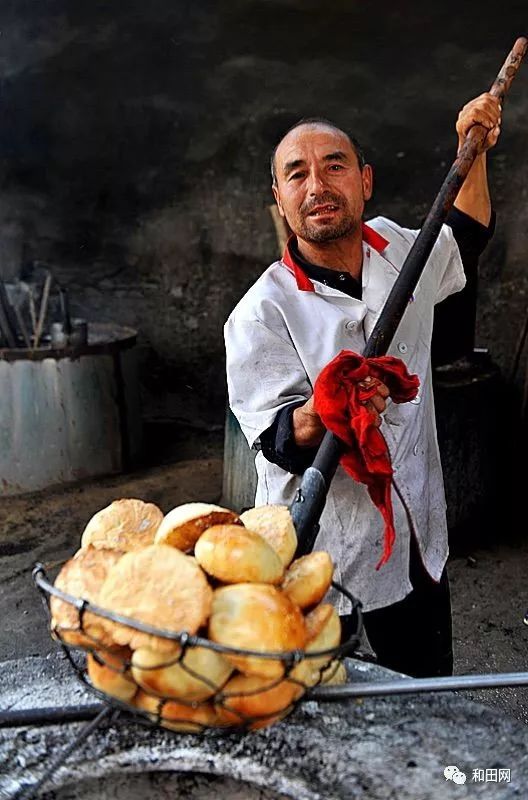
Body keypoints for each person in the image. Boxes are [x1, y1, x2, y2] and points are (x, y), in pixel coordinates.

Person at [224, 93, 501, 677]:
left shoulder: (401, 248)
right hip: (321, 547)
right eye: (296, 174)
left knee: (426, 696)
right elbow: (277, 441)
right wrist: (328, 408)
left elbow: (464, 233)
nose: (317, 185)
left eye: (334, 165)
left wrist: (472, 150)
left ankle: (445, 775)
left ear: (365, 180)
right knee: (321, 707)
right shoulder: (259, 314)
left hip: (414, 531)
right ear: (279, 199)